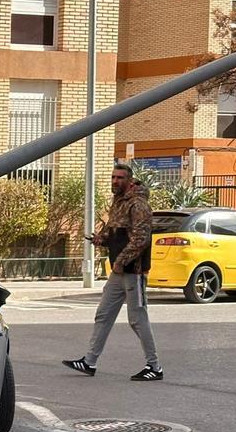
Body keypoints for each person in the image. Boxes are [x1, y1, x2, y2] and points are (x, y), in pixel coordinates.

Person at [63, 162, 163, 381]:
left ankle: (154, 367)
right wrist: (103, 240)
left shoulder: (138, 205)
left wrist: (121, 260)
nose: (115, 181)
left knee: (137, 319)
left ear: (129, 181)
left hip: (133, 271)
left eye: (119, 178)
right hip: (118, 271)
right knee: (103, 314)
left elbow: (141, 239)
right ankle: (89, 361)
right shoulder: (118, 202)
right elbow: (117, 232)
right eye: (113, 177)